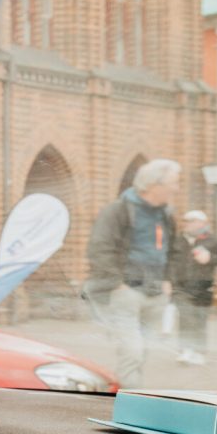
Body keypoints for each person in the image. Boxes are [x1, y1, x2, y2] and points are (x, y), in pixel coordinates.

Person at [83, 159, 184, 387]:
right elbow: (99, 249)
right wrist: (117, 283)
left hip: (156, 293)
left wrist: (169, 280)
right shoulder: (118, 211)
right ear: (154, 185)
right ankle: (126, 399)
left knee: (141, 352)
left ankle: (129, 393)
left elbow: (174, 250)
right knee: (132, 352)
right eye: (173, 183)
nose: (177, 189)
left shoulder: (166, 215)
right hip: (127, 292)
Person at [171, 210, 217, 366]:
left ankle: (199, 352)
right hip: (181, 286)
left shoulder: (214, 241)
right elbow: (170, 261)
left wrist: (210, 258)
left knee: (200, 320)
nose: (187, 224)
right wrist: (169, 281)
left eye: (192, 221)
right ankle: (185, 350)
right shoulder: (178, 240)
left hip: (204, 286)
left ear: (202, 223)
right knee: (185, 317)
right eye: (186, 221)